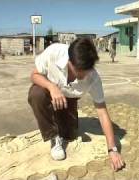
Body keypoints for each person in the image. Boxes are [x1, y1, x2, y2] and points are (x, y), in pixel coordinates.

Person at [28, 38, 124, 171]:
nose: (83, 75)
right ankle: (53, 136)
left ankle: (61, 121)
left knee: (70, 135)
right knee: (36, 94)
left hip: (69, 100)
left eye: (86, 70)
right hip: (50, 92)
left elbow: (102, 112)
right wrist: (51, 87)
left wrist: (112, 149)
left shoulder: (93, 77)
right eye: (78, 70)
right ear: (69, 61)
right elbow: (34, 75)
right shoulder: (54, 52)